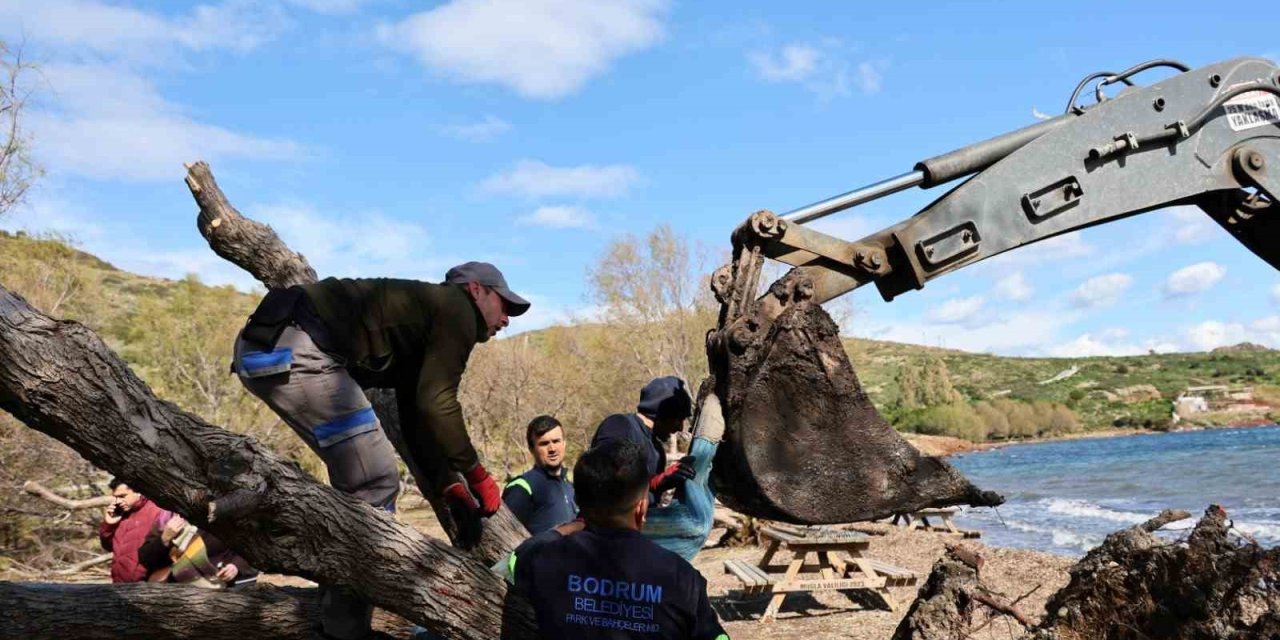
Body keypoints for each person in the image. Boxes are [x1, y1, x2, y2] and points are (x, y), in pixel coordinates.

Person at [232, 262, 529, 640]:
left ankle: (333, 603)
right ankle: (345, 629)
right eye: (504, 305)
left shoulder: (425, 317)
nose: (506, 319)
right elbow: (439, 404)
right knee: (374, 484)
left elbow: (416, 411)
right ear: (475, 290)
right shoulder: (456, 310)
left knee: (355, 489)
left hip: (270, 346)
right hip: (294, 351)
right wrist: (476, 475)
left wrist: (448, 484)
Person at [505, 439, 729, 640]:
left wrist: (566, 528)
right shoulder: (683, 579)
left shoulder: (543, 560)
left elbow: (512, 562)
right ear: (642, 508)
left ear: (579, 503)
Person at [590, 377, 724, 561]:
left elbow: (649, 492)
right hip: (611, 522)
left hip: (640, 524)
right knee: (696, 523)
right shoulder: (619, 425)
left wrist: (669, 480)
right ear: (662, 413)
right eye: (679, 419)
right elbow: (604, 477)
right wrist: (656, 481)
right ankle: (708, 431)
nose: (679, 428)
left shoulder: (658, 450)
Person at [138, 513, 258, 589]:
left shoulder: (223, 515)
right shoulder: (165, 519)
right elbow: (145, 559)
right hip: (176, 593)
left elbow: (250, 548)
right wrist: (164, 538)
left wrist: (235, 567)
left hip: (219, 590)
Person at [503, 415, 578, 534]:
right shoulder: (522, 487)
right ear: (531, 449)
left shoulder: (572, 487)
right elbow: (507, 536)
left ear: (564, 443)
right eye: (544, 443)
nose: (552, 448)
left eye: (556, 441)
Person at [98, 479, 170, 583]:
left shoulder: (157, 511)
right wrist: (109, 524)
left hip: (147, 584)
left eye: (122, 496)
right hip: (120, 585)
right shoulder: (120, 514)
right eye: (115, 497)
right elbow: (108, 546)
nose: (118, 501)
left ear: (138, 492)